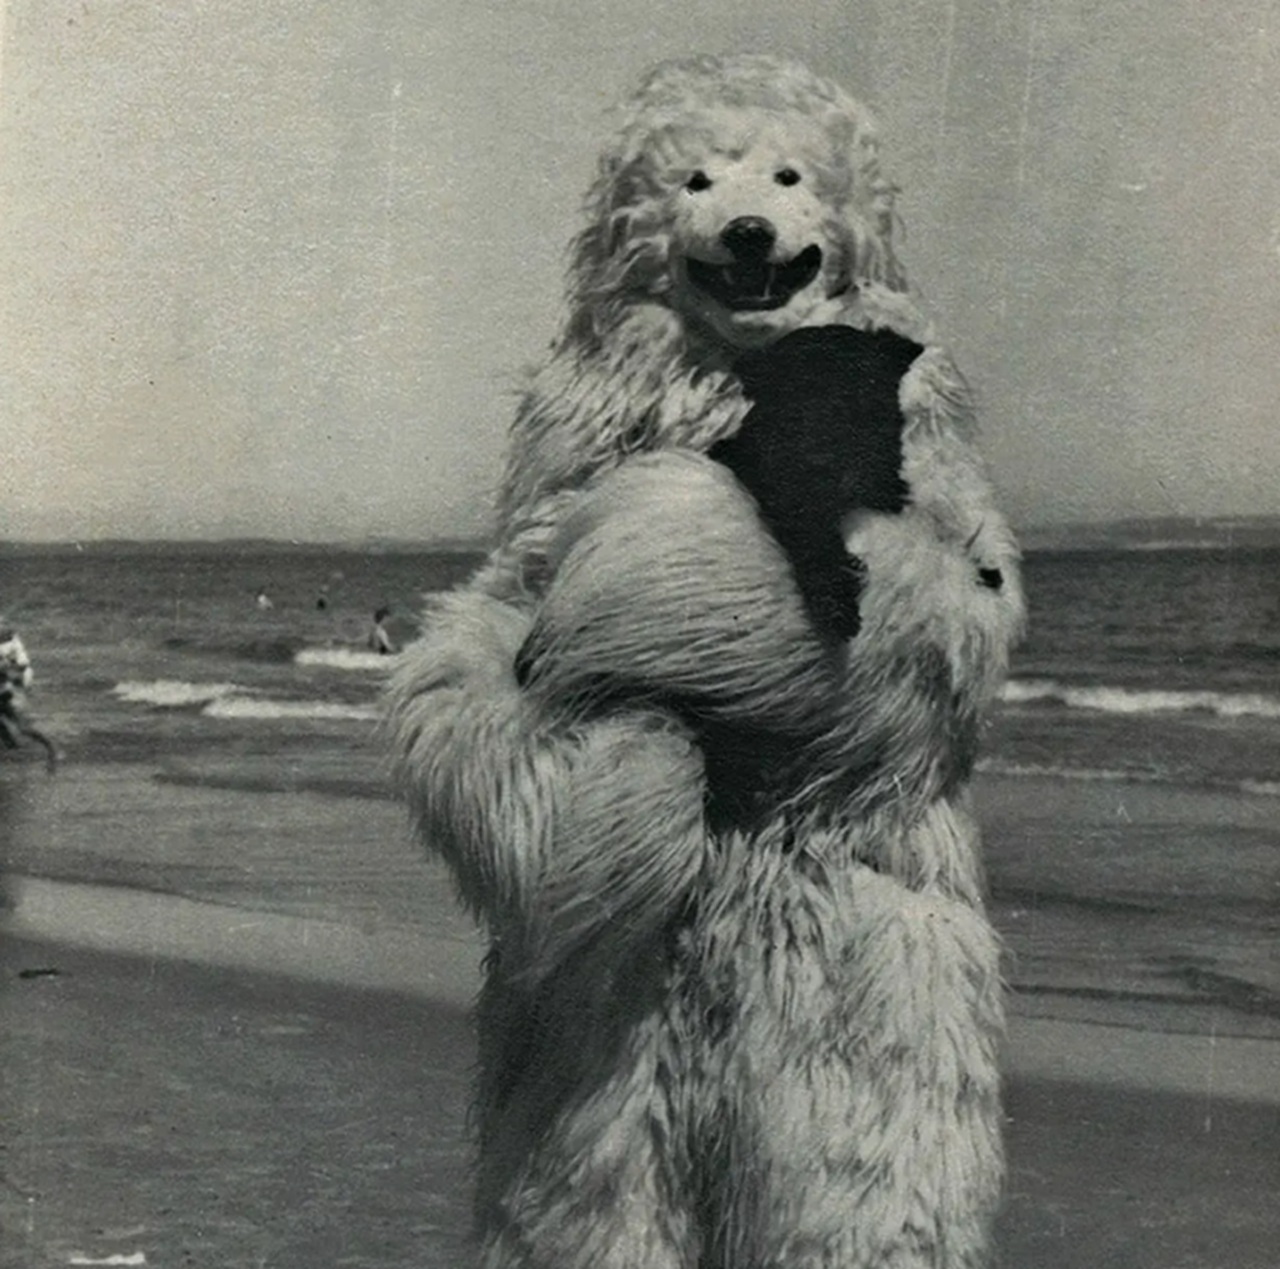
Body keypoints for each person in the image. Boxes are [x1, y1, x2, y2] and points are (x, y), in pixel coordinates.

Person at [0, 621, 61, 769]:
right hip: (6, 689)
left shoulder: (9, 653)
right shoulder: (9, 649)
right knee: (18, 727)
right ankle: (13, 747)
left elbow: (15, 671)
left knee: (21, 727)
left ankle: (50, 748)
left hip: (6, 691)